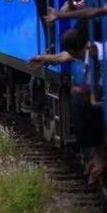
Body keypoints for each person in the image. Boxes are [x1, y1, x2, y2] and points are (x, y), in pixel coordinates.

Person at [31, 28, 107, 185]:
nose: (73, 58)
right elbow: (64, 57)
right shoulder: (90, 50)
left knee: (80, 101)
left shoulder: (98, 56)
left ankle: (99, 156)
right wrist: (43, 58)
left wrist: (84, 90)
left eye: (73, 54)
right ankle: (96, 155)